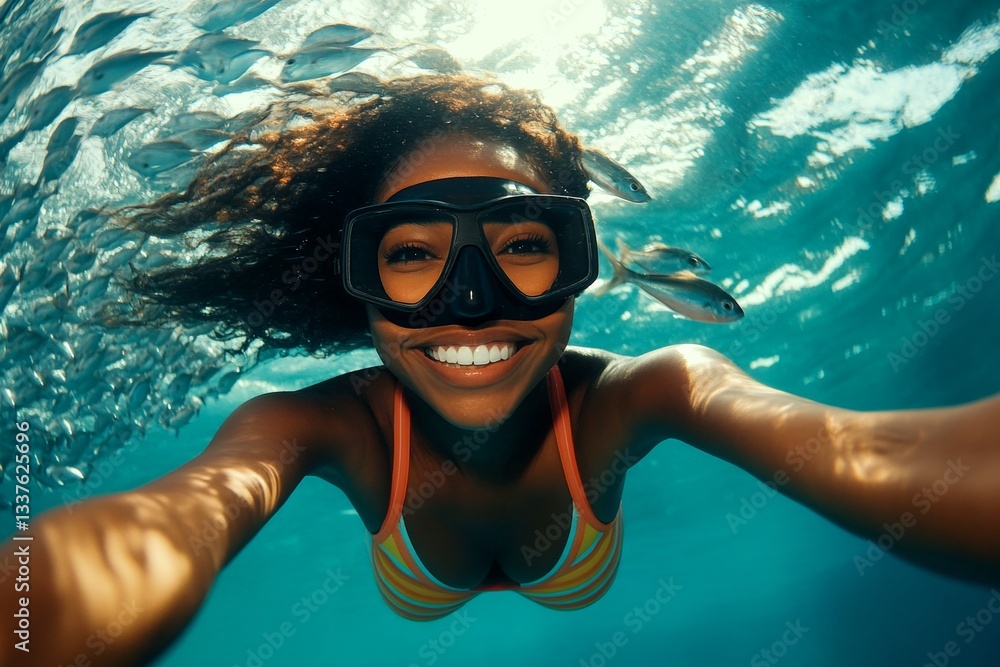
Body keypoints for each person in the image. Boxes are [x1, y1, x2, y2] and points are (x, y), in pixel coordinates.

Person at [2, 73, 998, 666]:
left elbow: (879, 452)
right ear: (358, 283)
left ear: (578, 264)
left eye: (523, 244)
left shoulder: (653, 388)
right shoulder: (313, 426)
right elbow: (168, 524)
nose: (468, 303)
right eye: (409, 252)